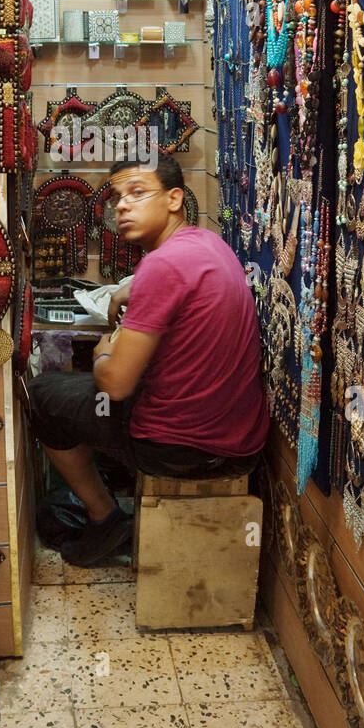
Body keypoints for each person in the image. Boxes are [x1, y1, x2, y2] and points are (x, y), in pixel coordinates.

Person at [29, 154, 269, 566]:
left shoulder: (161, 266)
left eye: (137, 193)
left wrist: (106, 350)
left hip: (182, 450)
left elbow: (116, 384)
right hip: (242, 442)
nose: (122, 205)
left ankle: (106, 518)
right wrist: (130, 289)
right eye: (117, 197)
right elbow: (178, 283)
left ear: (174, 198)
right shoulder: (206, 243)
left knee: (42, 396)